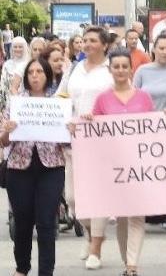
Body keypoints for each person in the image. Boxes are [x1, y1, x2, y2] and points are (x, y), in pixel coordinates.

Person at [78, 48, 155, 276]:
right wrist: (87, 120)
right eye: (116, 66)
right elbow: (94, 132)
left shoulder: (144, 97)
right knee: (122, 218)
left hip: (139, 165)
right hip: (112, 168)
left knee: (136, 216)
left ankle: (132, 266)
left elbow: (154, 129)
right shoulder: (102, 99)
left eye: (125, 66)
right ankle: (126, 260)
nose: (121, 70)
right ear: (110, 69)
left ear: (131, 69)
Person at [1, 58, 66, 276]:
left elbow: (66, 142)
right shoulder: (15, 102)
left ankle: (46, 271)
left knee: (47, 222)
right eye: (31, 72)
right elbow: (4, 141)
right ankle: (22, 268)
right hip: (19, 167)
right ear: (26, 76)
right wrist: (7, 130)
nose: (35, 76)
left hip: (52, 167)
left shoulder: (59, 103)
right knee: (23, 221)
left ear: (48, 75)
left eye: (40, 72)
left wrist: (70, 130)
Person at [57, 25, 114, 270]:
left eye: (92, 40)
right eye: (85, 40)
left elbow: (119, 100)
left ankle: (96, 249)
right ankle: (91, 234)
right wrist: (62, 119)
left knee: (97, 196)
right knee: (73, 198)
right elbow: (61, 96)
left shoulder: (112, 70)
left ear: (104, 45)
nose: (87, 44)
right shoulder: (75, 68)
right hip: (73, 140)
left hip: (101, 141)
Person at [0, 37, 30, 113]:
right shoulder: (7, 64)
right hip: (9, 103)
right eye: (15, 47)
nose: (18, 49)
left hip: (26, 104)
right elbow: (2, 86)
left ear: (25, 48)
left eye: (20, 47)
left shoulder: (30, 64)